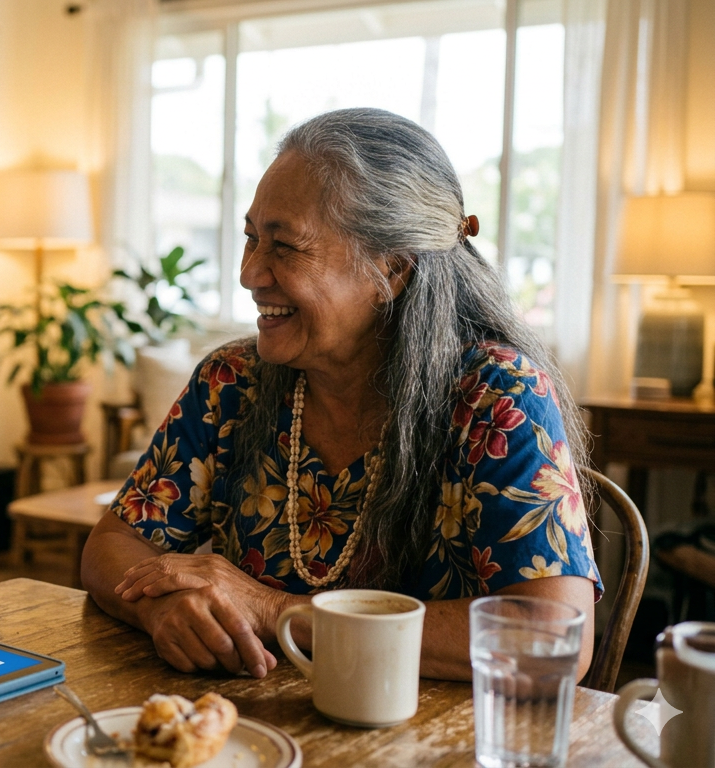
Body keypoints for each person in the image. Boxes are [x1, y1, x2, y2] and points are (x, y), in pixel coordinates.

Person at [82, 108, 601, 683]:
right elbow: (114, 542)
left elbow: (550, 639)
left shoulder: (495, 396)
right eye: (252, 237)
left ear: (392, 268)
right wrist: (163, 607)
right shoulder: (231, 381)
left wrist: (274, 611)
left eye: (284, 246)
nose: (250, 272)